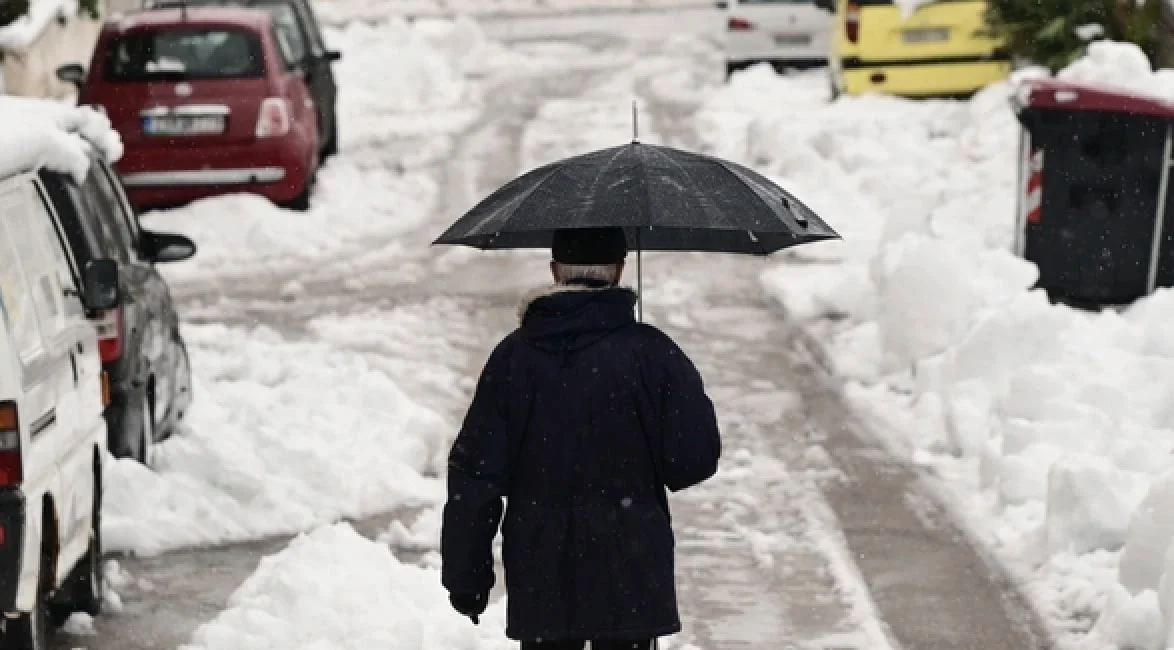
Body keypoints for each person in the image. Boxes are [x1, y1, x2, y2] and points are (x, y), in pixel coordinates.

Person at [440, 227, 722, 650]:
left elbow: (475, 477)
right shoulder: (652, 354)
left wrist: (468, 577)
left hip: (542, 581)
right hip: (630, 578)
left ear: (554, 271)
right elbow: (693, 461)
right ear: (620, 270)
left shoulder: (513, 359)